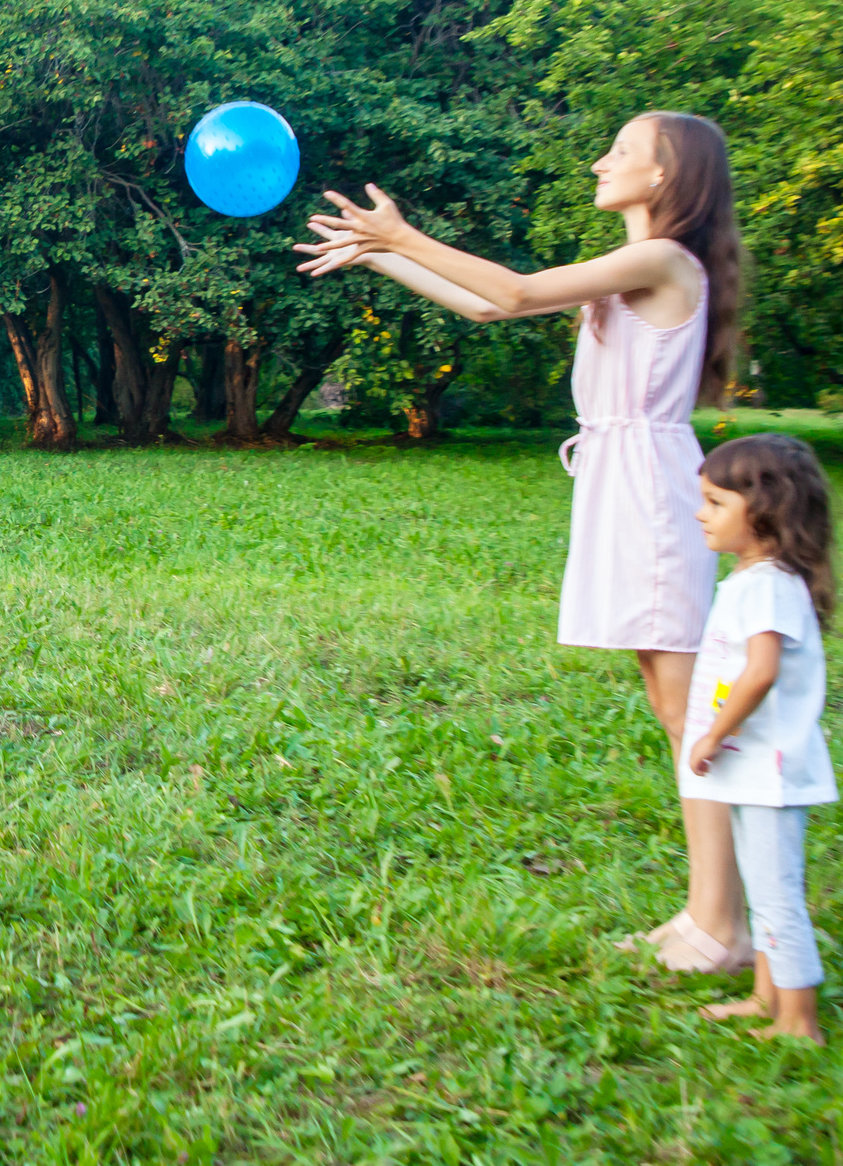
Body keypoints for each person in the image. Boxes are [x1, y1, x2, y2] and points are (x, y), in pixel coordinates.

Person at [295, 112, 750, 970]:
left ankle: (720, 925)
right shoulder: (632, 268)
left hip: (652, 496)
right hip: (623, 484)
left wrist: (403, 231)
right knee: (672, 706)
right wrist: (381, 255)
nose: (598, 160)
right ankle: (705, 913)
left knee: (690, 712)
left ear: (664, 178)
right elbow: (481, 305)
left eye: (619, 151)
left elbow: (511, 290)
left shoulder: (663, 261)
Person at [685, 433, 840, 1042]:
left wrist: (712, 736)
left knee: (779, 897)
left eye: (716, 503)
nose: (701, 513)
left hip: (769, 767)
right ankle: (764, 998)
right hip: (753, 767)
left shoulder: (771, 584)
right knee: (764, 890)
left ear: (766, 511)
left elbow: (761, 672)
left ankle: (799, 1020)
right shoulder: (754, 579)